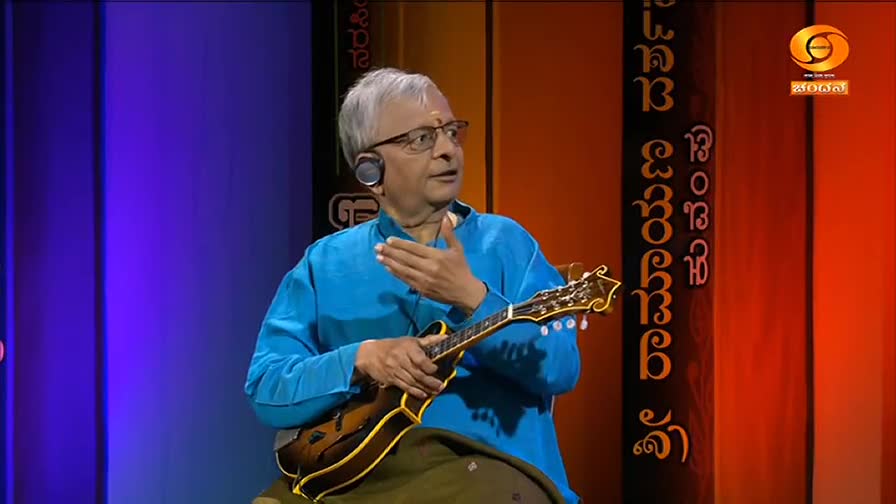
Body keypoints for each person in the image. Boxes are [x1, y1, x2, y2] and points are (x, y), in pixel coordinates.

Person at [246, 67, 582, 504]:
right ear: (371, 170)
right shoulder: (325, 263)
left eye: (450, 132)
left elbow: (560, 366)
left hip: (482, 472)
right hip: (346, 479)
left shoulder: (508, 245)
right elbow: (267, 387)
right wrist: (362, 359)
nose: (447, 151)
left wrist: (471, 296)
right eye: (422, 139)